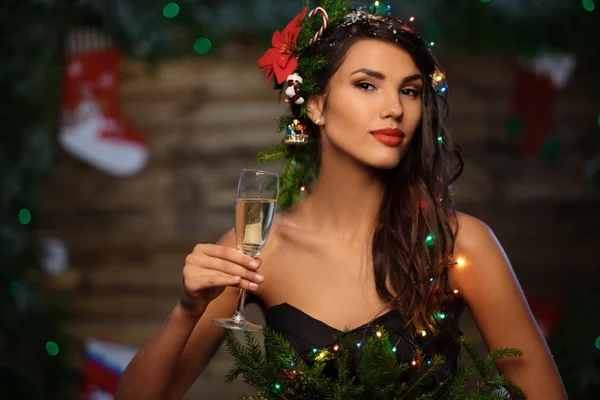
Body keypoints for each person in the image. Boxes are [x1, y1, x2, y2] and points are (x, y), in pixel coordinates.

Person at [116, 4, 567, 399]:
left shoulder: (459, 244)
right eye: (367, 85)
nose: (394, 107)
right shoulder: (259, 248)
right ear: (315, 105)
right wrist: (185, 312)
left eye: (409, 90)